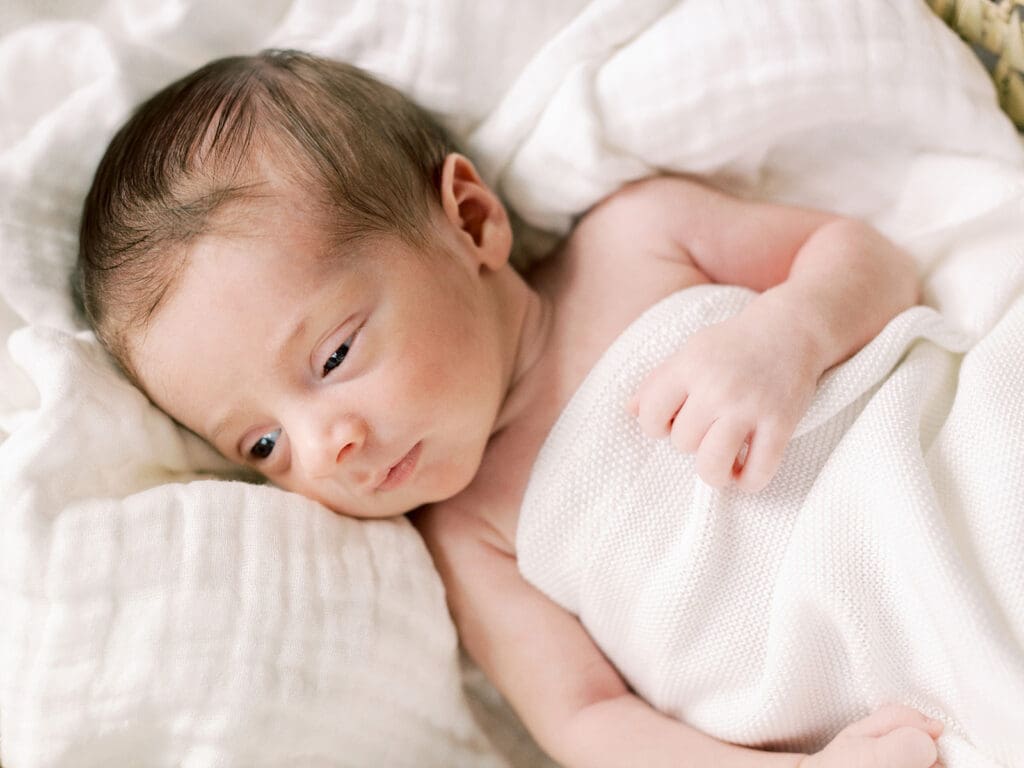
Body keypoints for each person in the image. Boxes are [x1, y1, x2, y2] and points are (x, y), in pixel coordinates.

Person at [76, 50, 937, 767]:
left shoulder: (637, 242)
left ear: (472, 220)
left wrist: (787, 335)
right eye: (262, 443)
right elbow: (588, 722)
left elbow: (867, 256)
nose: (323, 448)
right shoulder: (468, 535)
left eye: (334, 355)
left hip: (936, 482)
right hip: (882, 697)